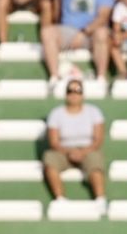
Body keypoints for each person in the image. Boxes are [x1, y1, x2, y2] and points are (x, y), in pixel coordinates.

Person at [42, 77, 108, 205]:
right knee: (49, 160)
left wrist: (82, 152)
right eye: (70, 90)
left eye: (78, 90)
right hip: (63, 149)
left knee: (95, 163)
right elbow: (54, 142)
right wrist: (70, 152)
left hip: (88, 149)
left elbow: (98, 140)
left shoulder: (94, 112)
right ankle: (60, 199)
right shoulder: (56, 114)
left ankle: (100, 199)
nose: (74, 93)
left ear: (83, 94)